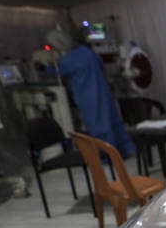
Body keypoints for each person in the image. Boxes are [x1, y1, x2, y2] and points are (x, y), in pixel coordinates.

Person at [46, 29, 136, 158]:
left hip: (88, 97)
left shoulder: (70, 59)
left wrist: (46, 66)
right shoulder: (87, 52)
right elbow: (101, 67)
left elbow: (56, 70)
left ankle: (108, 157)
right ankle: (126, 149)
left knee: (98, 127)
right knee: (113, 122)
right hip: (104, 93)